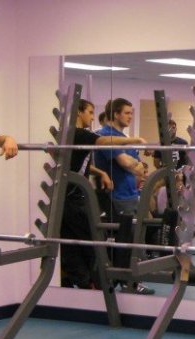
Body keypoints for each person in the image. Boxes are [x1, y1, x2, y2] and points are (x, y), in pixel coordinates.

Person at [60, 99, 144, 290]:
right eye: (90, 112)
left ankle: (87, 283)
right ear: (79, 112)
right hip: (73, 197)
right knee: (92, 242)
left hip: (77, 195)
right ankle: (95, 283)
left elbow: (83, 164)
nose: (92, 117)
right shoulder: (77, 133)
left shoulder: (78, 135)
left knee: (80, 243)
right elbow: (106, 144)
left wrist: (101, 173)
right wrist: (133, 140)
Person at [94, 98, 148, 222]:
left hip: (131, 194)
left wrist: (133, 163)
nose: (130, 117)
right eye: (127, 113)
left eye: (131, 113)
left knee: (138, 230)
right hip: (118, 196)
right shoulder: (106, 135)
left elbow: (140, 170)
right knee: (125, 233)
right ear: (116, 114)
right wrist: (133, 162)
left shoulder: (123, 138)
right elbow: (126, 163)